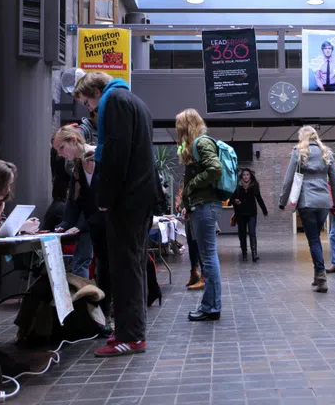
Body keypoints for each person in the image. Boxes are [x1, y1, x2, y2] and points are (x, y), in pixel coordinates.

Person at [73, 72, 159, 357]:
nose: (89, 109)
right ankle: (126, 330)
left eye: (87, 102)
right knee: (131, 265)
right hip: (139, 197)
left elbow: (116, 153)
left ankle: (131, 336)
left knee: (125, 268)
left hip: (127, 199)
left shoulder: (115, 101)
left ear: (95, 91)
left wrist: (105, 198)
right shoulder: (134, 100)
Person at [51, 124, 113, 329]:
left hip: (109, 223)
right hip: (95, 225)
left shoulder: (99, 158)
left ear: (74, 141)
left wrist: (79, 224)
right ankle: (102, 317)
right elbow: (75, 199)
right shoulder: (78, 166)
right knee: (103, 269)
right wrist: (66, 223)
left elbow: (99, 200)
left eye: (61, 148)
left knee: (110, 269)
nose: (61, 154)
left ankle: (109, 316)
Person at [279, 126, 335, 293]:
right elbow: (334, 181)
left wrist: (282, 201)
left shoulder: (299, 152)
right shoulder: (326, 153)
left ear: (302, 137)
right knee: (317, 239)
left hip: (306, 202)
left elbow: (288, 179)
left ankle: (321, 278)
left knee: (313, 240)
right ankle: (317, 276)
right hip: (323, 202)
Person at [177, 109, 223, 321]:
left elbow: (215, 168)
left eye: (179, 126)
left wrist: (191, 188)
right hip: (203, 205)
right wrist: (188, 201)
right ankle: (211, 305)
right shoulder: (196, 145)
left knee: (208, 257)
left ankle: (211, 307)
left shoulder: (201, 143)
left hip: (205, 206)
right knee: (208, 257)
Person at [230, 168, 268, 262]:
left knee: (252, 233)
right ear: (241, 176)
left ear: (250, 176)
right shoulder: (237, 186)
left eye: (247, 175)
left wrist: (264, 210)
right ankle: (244, 254)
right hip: (240, 214)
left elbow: (259, 198)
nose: (246, 176)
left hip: (251, 213)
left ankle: (254, 254)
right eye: (244, 175)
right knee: (242, 234)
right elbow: (231, 199)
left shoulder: (254, 185)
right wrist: (235, 201)